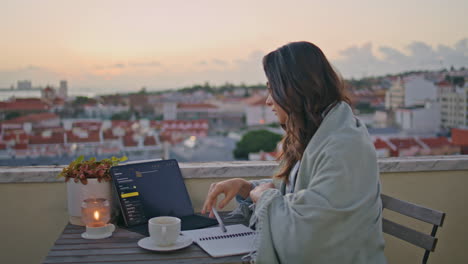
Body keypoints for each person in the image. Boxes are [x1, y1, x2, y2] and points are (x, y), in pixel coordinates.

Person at [202, 41, 386, 264]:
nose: (269, 101)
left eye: (272, 90)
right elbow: (299, 198)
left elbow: (308, 240)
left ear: (295, 89)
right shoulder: (323, 134)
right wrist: (247, 188)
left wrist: (263, 198)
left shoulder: (343, 147)